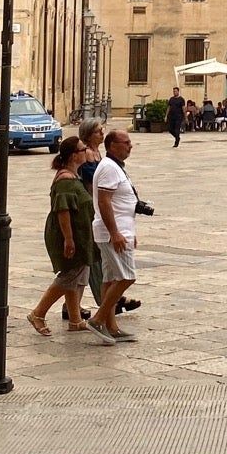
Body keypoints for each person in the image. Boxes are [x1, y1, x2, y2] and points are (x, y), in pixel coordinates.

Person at [26, 136, 93, 337]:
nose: (86, 151)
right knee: (69, 274)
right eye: (83, 149)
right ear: (74, 155)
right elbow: (62, 211)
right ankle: (38, 313)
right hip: (67, 234)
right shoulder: (65, 180)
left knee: (77, 273)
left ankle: (75, 319)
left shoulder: (73, 175)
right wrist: (69, 239)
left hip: (78, 233)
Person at [89, 130, 140, 344]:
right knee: (127, 277)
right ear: (112, 146)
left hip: (120, 231)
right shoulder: (109, 168)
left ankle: (112, 326)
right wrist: (115, 233)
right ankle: (98, 319)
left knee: (109, 279)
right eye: (125, 142)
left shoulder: (115, 167)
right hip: (112, 234)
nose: (130, 146)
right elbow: (104, 202)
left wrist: (130, 232)